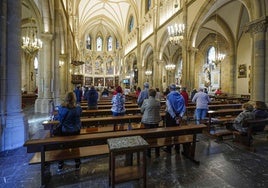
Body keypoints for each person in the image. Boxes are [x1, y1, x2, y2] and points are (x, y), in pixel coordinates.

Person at [57, 92, 82, 171]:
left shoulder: (61, 108)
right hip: (75, 130)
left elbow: (60, 120)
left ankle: (60, 163)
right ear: (74, 99)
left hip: (65, 130)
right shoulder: (78, 108)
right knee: (76, 146)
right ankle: (77, 163)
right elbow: (79, 117)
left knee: (64, 146)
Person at [165, 84, 186, 153]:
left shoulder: (168, 96)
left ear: (170, 89)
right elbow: (184, 107)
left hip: (170, 116)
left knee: (168, 132)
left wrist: (174, 117)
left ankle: (168, 148)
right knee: (177, 131)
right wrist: (180, 116)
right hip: (179, 115)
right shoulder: (181, 96)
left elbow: (169, 108)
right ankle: (177, 147)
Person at [140, 89, 162, 157]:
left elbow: (142, 110)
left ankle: (148, 152)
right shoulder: (158, 101)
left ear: (149, 94)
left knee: (148, 136)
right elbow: (159, 109)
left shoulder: (145, 101)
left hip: (147, 121)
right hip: (156, 120)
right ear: (155, 94)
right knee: (155, 136)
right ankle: (157, 152)